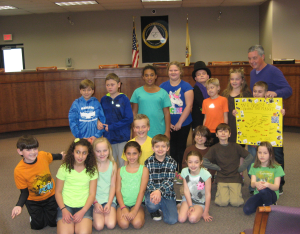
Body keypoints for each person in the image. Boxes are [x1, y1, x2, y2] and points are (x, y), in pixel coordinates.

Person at [248, 45, 291, 194]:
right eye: (249, 58)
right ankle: (260, 181)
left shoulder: (274, 71)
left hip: (273, 118)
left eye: (254, 58)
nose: (252, 61)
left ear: (262, 57)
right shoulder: (253, 73)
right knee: (260, 151)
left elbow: (288, 90)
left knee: (276, 150)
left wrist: (275, 92)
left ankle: (280, 183)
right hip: (259, 118)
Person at [233, 81, 286, 195]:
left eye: (260, 91)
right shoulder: (248, 104)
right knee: (253, 162)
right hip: (253, 141)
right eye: (255, 91)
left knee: (268, 161)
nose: (256, 94)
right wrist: (237, 113)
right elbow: (244, 119)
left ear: (266, 92)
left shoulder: (272, 104)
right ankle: (254, 186)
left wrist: (280, 112)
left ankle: (272, 185)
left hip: (267, 141)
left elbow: (275, 120)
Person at [11, 135, 65, 230]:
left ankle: (46, 213)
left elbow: (52, 156)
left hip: (50, 196)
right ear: (20, 151)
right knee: (38, 226)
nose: (33, 152)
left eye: (35, 148)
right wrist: (19, 205)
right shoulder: (19, 170)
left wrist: (61, 156)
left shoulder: (42, 155)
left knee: (54, 223)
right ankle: (34, 217)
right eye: (28, 150)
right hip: (33, 201)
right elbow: (24, 192)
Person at [203, 123, 254, 207]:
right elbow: (204, 161)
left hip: (235, 178)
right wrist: (216, 167)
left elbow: (249, 156)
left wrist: (241, 168)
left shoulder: (235, 146)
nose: (223, 133)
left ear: (229, 134)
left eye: (226, 131)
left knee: (236, 203)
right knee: (222, 203)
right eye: (220, 131)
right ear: (216, 134)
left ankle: (232, 193)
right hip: (221, 178)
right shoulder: (214, 148)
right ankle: (225, 193)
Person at [55, 138, 98, 234]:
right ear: (72, 152)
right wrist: (63, 210)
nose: (80, 156)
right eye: (78, 152)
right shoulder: (64, 168)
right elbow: (57, 192)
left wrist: (83, 211)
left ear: (88, 154)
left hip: (84, 206)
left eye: (84, 153)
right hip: (66, 206)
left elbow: (92, 194)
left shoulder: (92, 169)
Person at [160, 61, 194, 172]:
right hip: (168, 123)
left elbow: (189, 106)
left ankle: (182, 171)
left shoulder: (186, 86)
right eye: (171, 70)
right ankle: (173, 172)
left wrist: (179, 123)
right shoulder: (163, 86)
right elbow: (160, 106)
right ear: (168, 72)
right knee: (171, 148)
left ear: (180, 71)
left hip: (183, 123)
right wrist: (168, 123)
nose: (173, 72)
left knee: (181, 148)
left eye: (176, 70)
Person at [99, 73, 133, 167]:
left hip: (122, 136)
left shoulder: (124, 99)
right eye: (107, 85)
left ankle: (122, 181)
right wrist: (99, 122)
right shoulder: (104, 99)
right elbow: (100, 115)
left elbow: (129, 118)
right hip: (108, 137)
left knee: (123, 163)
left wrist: (112, 127)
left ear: (119, 84)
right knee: (111, 163)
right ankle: (112, 181)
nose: (110, 87)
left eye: (112, 84)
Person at [243, 141, 285, 215]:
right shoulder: (254, 166)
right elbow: (252, 185)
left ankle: (270, 206)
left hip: (272, 194)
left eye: (265, 153)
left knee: (264, 190)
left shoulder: (277, 167)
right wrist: (256, 183)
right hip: (258, 193)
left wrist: (267, 185)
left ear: (271, 154)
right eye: (259, 153)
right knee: (247, 210)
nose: (262, 155)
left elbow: (276, 187)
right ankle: (264, 203)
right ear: (257, 154)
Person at [144, 134, 178, 224]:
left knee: (172, 220)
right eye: (157, 146)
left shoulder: (172, 162)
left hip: (167, 194)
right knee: (151, 204)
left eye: (163, 146)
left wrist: (160, 191)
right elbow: (148, 181)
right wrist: (155, 192)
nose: (160, 149)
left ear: (168, 148)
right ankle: (154, 209)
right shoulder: (148, 162)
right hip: (152, 192)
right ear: (153, 148)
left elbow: (169, 182)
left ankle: (162, 205)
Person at [131, 65, 171, 139]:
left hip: (159, 130)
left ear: (156, 76)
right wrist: (134, 132)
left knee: (159, 150)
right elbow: (134, 113)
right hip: (141, 130)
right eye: (146, 75)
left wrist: (167, 131)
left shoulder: (163, 93)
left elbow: (166, 113)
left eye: (151, 75)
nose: (149, 78)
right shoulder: (137, 92)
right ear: (143, 77)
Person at [116, 141, 149, 229]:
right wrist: (123, 207)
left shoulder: (144, 170)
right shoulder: (120, 170)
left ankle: (140, 214)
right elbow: (118, 191)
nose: (131, 157)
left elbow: (142, 191)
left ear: (139, 154)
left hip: (138, 204)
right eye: (128, 154)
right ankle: (122, 211)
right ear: (125, 154)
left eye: (134, 153)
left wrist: (135, 210)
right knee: (124, 224)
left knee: (137, 224)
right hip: (123, 203)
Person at [178, 151, 213, 224]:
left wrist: (206, 212)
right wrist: (190, 206)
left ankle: (197, 210)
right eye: (190, 162)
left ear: (201, 162)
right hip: (188, 199)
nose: (193, 165)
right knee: (181, 219)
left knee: (192, 219)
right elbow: (186, 190)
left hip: (200, 201)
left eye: (196, 162)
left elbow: (207, 194)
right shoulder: (184, 171)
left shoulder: (206, 174)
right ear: (186, 162)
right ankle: (180, 206)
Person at [92, 137, 117, 231]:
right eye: (98, 151)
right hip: (95, 200)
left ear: (109, 150)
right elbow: (88, 187)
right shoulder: (92, 165)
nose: (102, 154)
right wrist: (95, 202)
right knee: (99, 226)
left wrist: (109, 203)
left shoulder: (113, 164)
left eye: (105, 150)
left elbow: (113, 186)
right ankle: (89, 217)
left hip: (109, 199)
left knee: (110, 224)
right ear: (94, 152)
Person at [222, 67, 252, 143]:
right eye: (232, 79)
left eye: (237, 79)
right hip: (227, 124)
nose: (234, 81)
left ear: (242, 80)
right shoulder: (225, 94)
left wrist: (241, 113)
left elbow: (251, 112)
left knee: (238, 148)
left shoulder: (246, 95)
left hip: (240, 127)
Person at [202, 78, 229, 145]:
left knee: (219, 148)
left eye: (212, 87)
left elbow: (225, 116)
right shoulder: (205, 101)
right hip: (208, 130)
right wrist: (203, 129)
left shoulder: (223, 100)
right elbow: (205, 117)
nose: (210, 90)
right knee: (209, 148)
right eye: (208, 88)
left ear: (218, 88)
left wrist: (224, 129)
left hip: (219, 130)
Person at [191, 61, 211, 129]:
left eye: (203, 74)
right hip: (199, 118)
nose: (201, 75)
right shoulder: (195, 89)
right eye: (198, 74)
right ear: (195, 78)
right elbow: (201, 103)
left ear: (208, 76)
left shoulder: (211, 88)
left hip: (210, 115)